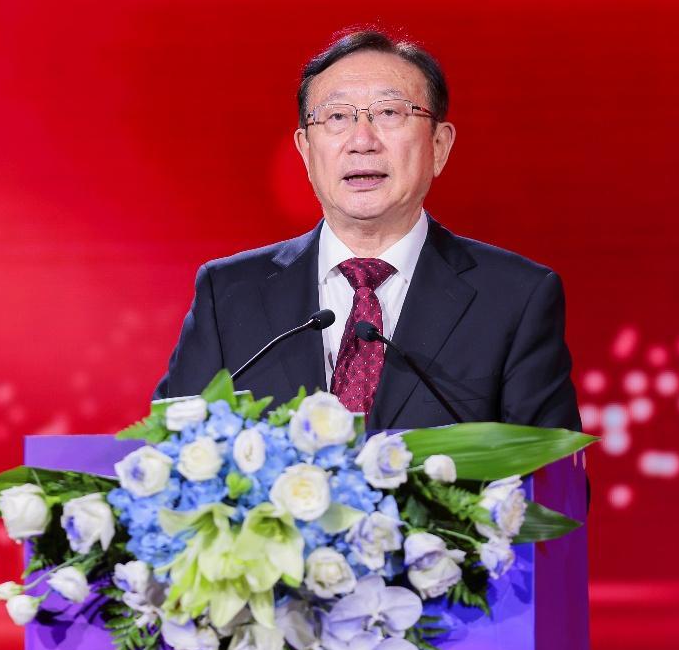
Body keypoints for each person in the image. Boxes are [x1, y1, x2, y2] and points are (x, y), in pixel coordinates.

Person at [154, 29, 581, 433]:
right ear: (306, 150)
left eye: (390, 113)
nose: (362, 140)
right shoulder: (228, 294)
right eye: (336, 116)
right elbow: (168, 458)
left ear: (439, 146)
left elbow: (554, 478)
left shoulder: (515, 298)